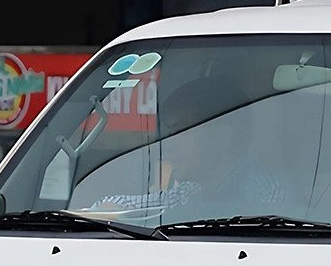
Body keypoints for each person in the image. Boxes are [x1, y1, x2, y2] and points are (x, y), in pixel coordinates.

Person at [91, 74, 292, 217]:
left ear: (223, 136)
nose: (169, 145)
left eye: (182, 132)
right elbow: (119, 206)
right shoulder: (189, 192)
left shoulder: (268, 196)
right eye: (170, 134)